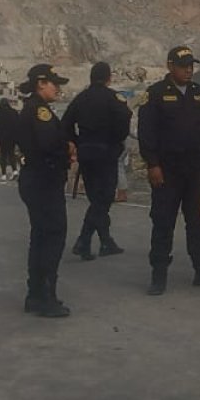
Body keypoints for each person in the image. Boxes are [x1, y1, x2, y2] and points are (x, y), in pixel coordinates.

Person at [137, 46, 200, 295]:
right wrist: (152, 164)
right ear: (170, 66)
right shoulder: (155, 94)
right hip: (167, 171)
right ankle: (159, 273)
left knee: (198, 221)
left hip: (197, 171)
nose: (188, 70)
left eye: (191, 65)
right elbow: (146, 133)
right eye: (183, 65)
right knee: (163, 222)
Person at [12, 64, 74, 318]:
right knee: (52, 236)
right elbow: (48, 144)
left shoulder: (34, 108)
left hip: (36, 178)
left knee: (40, 236)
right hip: (44, 179)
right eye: (53, 83)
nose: (57, 88)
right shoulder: (40, 111)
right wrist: (67, 149)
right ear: (41, 83)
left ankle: (35, 293)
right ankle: (45, 295)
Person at [68, 63, 132, 261]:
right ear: (108, 78)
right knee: (103, 199)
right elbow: (124, 118)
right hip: (106, 153)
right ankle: (83, 239)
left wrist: (78, 141)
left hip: (87, 153)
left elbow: (66, 123)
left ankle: (105, 241)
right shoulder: (113, 98)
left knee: (97, 198)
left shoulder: (81, 98)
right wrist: (116, 141)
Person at [0, 94, 20, 182]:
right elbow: (18, 125)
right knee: (12, 154)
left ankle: (4, 174)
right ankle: (15, 171)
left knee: (3, 156)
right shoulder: (14, 112)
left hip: (2, 137)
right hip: (12, 137)